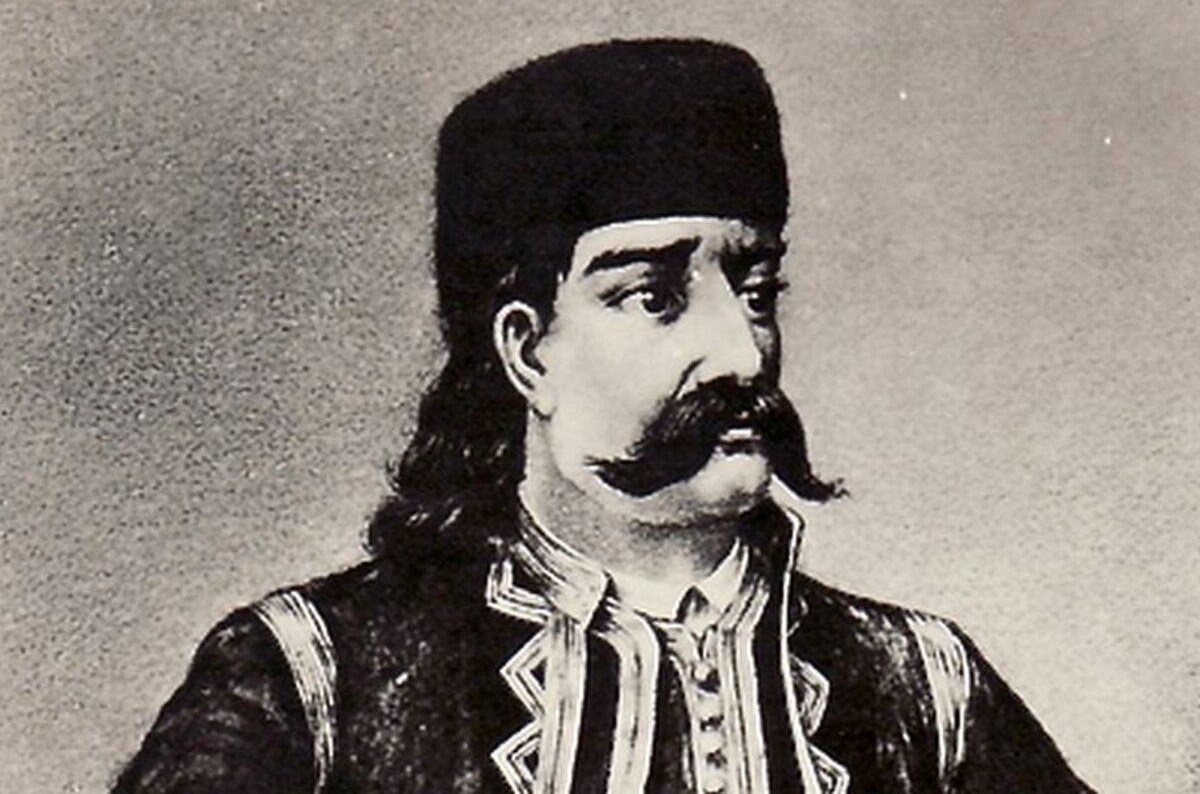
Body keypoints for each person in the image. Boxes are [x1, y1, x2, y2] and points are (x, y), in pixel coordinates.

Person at [114, 38, 1093, 794]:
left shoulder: (925, 687)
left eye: (756, 289)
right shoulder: (309, 679)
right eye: (655, 297)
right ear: (527, 351)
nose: (745, 352)